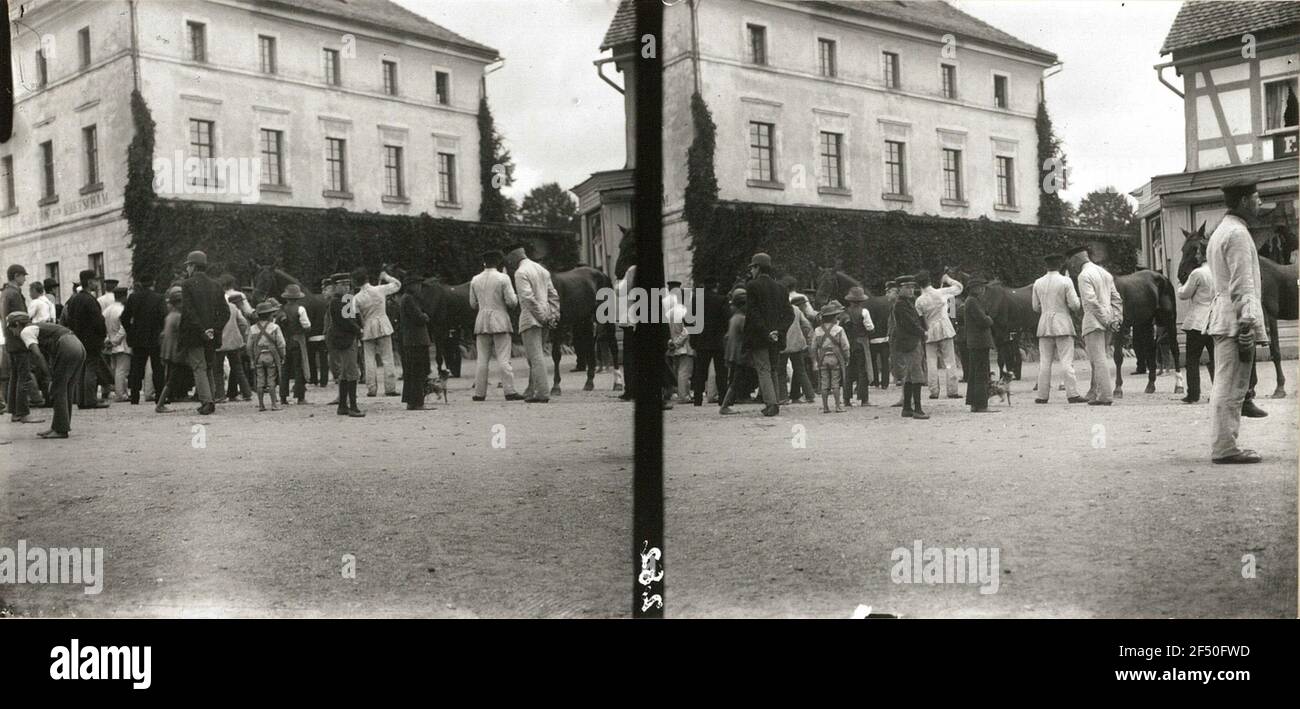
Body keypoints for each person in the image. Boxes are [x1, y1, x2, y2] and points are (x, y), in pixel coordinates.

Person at [1205, 179, 1268, 464]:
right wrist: (1247, 324)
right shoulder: (1238, 234)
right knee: (1231, 385)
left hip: (1223, 315)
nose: (1259, 203)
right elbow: (1243, 284)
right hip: (1235, 319)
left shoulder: (1222, 231)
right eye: (1256, 198)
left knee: (1226, 382)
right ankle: (1226, 448)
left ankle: (1224, 443)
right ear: (1243, 201)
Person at [7, 312, 85, 439]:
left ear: (16, 324)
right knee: (66, 389)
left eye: (11, 328)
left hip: (67, 346)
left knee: (58, 389)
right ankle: (59, 426)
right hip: (77, 345)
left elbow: (37, 355)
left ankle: (60, 429)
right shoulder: (38, 327)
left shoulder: (25, 332)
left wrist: (49, 376)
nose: (12, 333)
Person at [1068, 245, 1123, 406]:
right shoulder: (1105, 273)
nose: (1072, 266)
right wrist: (1116, 319)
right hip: (1108, 322)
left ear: (1077, 259)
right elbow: (1116, 298)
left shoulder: (1084, 275)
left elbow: (1091, 302)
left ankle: (1105, 396)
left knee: (1097, 360)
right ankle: (1100, 394)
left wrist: (1107, 320)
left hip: (1094, 322)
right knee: (1101, 358)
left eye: (1072, 262)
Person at [506, 246, 560, 404]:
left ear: (514, 258)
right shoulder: (542, 270)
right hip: (546, 316)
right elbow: (553, 295)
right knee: (537, 356)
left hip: (531, 318)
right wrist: (554, 315)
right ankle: (535, 390)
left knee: (534, 357)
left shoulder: (520, 273)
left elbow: (527, 298)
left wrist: (542, 317)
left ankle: (542, 392)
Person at [178, 251, 229, 415]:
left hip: (195, 334)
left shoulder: (187, 284)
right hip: (213, 335)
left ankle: (207, 402)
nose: (187, 269)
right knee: (208, 367)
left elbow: (188, 312)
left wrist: (202, 330)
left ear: (192, 266)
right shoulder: (216, 285)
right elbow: (225, 312)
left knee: (199, 367)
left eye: (188, 266)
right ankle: (211, 399)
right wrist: (215, 329)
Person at [1031, 253, 1085, 404]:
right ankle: (1072, 394)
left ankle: (1042, 395)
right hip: (1062, 324)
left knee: (1045, 361)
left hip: (1044, 325)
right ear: (1060, 265)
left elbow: (1035, 307)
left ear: (1046, 266)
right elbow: (1075, 305)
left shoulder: (1038, 282)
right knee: (1066, 361)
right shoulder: (1066, 281)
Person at [743, 252, 791, 417]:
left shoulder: (752, 286)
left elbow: (753, 314)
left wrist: (766, 332)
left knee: (763, 369)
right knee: (773, 370)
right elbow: (789, 314)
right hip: (777, 337)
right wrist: (779, 330)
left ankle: (771, 404)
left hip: (760, 336)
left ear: (757, 267)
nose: (751, 271)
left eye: (752, 267)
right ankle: (775, 400)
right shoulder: (781, 288)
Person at [470, 250, 521, 402]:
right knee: (503, 358)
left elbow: (473, 304)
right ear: (498, 262)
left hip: (482, 320)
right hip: (500, 319)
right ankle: (509, 391)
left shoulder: (475, 279)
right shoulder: (503, 278)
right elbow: (512, 302)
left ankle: (479, 393)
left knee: (482, 359)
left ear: (484, 262)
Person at [350, 267, 402, 397]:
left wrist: (360, 329)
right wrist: (386, 276)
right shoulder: (380, 289)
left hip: (367, 328)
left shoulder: (356, 298)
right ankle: (390, 388)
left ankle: (371, 389)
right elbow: (397, 285)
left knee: (369, 360)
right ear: (367, 278)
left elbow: (355, 316)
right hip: (383, 325)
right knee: (387, 358)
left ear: (355, 282)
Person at [63, 269, 110, 409]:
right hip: (92, 340)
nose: (97, 283)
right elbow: (98, 322)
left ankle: (81, 400)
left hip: (78, 339)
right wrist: (102, 336)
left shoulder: (74, 299)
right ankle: (90, 400)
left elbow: (68, 319)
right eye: (95, 280)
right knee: (91, 369)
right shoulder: (90, 300)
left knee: (82, 370)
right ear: (89, 282)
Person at [3, 264, 44, 423]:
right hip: (19, 339)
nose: (25, 279)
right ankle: (22, 412)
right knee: (24, 376)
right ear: (16, 276)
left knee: (15, 376)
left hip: (10, 339)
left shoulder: (5, 293)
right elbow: (21, 318)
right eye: (23, 276)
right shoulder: (14, 294)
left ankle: (14, 410)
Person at [914, 268, 964, 400]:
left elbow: (920, 319)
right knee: (949, 361)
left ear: (919, 284)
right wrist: (947, 279)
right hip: (945, 328)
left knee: (931, 362)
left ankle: (934, 391)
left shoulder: (919, 301)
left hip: (929, 330)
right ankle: (952, 390)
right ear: (929, 280)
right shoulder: (941, 292)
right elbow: (959, 288)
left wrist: (925, 332)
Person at [1178, 243, 1215, 404]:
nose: (1197, 256)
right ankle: (1218, 392)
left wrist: (1180, 286)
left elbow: (1184, 295)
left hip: (1198, 320)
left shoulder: (1197, 273)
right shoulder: (1219, 271)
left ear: (1204, 255)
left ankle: (1193, 394)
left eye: (1199, 253)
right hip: (1215, 319)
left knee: (1192, 358)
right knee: (1216, 358)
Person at [121, 275, 167, 405]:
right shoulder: (158, 298)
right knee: (157, 367)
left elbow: (124, 317)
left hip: (138, 337)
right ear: (153, 282)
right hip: (154, 337)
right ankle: (159, 396)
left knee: (137, 367)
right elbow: (164, 316)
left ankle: (134, 396)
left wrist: (131, 331)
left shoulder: (133, 298)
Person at [327, 273, 366, 417]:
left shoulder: (345, 299)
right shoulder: (338, 301)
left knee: (344, 373)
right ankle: (353, 407)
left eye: (348, 285)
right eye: (342, 285)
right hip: (346, 339)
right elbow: (347, 321)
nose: (346, 288)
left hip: (345, 338)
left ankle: (343, 405)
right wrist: (359, 329)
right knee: (352, 372)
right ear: (335, 286)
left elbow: (353, 316)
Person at [890, 276, 929, 419]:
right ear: (899, 289)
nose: (911, 290)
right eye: (907, 287)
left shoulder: (905, 303)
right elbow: (910, 323)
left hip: (907, 341)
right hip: (911, 342)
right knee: (916, 375)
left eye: (912, 287)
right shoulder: (901, 305)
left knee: (909, 376)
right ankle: (918, 409)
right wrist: (923, 332)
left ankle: (907, 407)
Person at [689, 277, 730, 406]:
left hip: (702, 340)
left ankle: (697, 399)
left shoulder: (697, 299)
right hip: (718, 341)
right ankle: (723, 398)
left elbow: (691, 320)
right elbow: (726, 319)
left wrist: (693, 340)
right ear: (715, 286)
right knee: (720, 371)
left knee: (700, 371)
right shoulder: (721, 299)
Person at [398, 273, 433, 410]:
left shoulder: (406, 298)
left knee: (412, 372)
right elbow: (420, 317)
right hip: (417, 340)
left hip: (411, 340)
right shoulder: (410, 299)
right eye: (417, 284)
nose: (419, 287)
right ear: (411, 286)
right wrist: (425, 316)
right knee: (418, 371)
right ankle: (417, 401)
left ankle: (412, 400)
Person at [963, 278, 999, 413]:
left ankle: (974, 403)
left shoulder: (971, 301)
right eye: (980, 287)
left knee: (975, 374)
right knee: (982, 374)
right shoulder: (973, 302)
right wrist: (990, 319)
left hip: (974, 342)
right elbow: (984, 320)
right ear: (974, 289)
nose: (983, 289)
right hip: (979, 342)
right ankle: (982, 404)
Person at [246, 301, 286, 411]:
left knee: (260, 380)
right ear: (270, 315)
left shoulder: (253, 328)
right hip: (271, 355)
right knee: (271, 379)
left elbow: (249, 346)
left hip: (258, 356)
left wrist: (252, 358)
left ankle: (261, 405)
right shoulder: (274, 327)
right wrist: (283, 356)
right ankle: (274, 404)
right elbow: (281, 344)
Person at [278, 283, 313, 405]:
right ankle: (300, 396)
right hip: (298, 340)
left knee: (285, 369)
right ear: (298, 297)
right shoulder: (300, 309)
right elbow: (307, 325)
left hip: (284, 341)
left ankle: (283, 397)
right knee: (300, 368)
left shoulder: (281, 310)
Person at [812, 300, 850, 413]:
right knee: (835, 382)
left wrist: (815, 360)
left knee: (824, 382)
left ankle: (825, 407)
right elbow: (845, 346)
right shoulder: (839, 329)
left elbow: (813, 347)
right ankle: (838, 406)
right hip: (835, 357)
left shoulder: (817, 330)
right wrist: (847, 358)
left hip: (822, 358)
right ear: (834, 317)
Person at [155, 287, 188, 414]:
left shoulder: (170, 316)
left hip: (168, 351)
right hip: (176, 352)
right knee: (172, 379)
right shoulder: (178, 317)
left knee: (170, 378)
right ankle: (160, 404)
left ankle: (162, 402)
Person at [719, 288, 752, 415]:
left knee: (734, 378)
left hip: (732, 353)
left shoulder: (734, 318)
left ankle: (727, 403)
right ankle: (725, 405)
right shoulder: (742, 319)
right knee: (736, 380)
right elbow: (748, 335)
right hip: (740, 354)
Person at [779, 291, 815, 405]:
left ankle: (783, 397)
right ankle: (810, 395)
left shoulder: (775, 310)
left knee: (781, 372)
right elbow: (806, 324)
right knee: (800, 369)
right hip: (797, 343)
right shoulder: (796, 309)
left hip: (782, 344)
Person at [840, 286, 874, 407]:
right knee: (863, 370)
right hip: (861, 342)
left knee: (849, 371)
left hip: (849, 343)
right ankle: (864, 399)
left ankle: (846, 399)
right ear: (861, 300)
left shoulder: (844, 312)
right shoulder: (864, 312)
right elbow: (870, 327)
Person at [215, 293, 252, 402]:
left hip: (219, 343)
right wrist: (241, 335)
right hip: (234, 342)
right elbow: (243, 323)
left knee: (218, 370)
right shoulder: (233, 307)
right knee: (238, 368)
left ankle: (220, 395)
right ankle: (247, 393)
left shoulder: (213, 309)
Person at [664, 289, 694, 403]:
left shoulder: (668, 313)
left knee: (678, 371)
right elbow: (687, 331)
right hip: (685, 346)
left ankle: (681, 393)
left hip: (673, 347)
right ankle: (684, 395)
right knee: (685, 372)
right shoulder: (685, 312)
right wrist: (678, 342)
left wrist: (671, 342)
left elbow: (667, 331)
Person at [103, 286, 132, 402]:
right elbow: (123, 328)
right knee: (122, 371)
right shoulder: (121, 310)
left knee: (116, 370)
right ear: (124, 296)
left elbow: (103, 327)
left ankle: (121, 392)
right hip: (121, 343)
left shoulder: (107, 310)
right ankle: (121, 394)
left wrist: (108, 340)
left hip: (110, 342)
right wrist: (115, 340)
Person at [869, 281, 895, 388]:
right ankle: (885, 383)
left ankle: (876, 381)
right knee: (885, 361)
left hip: (873, 337)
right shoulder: (888, 302)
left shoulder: (870, 304)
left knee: (874, 361)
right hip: (885, 336)